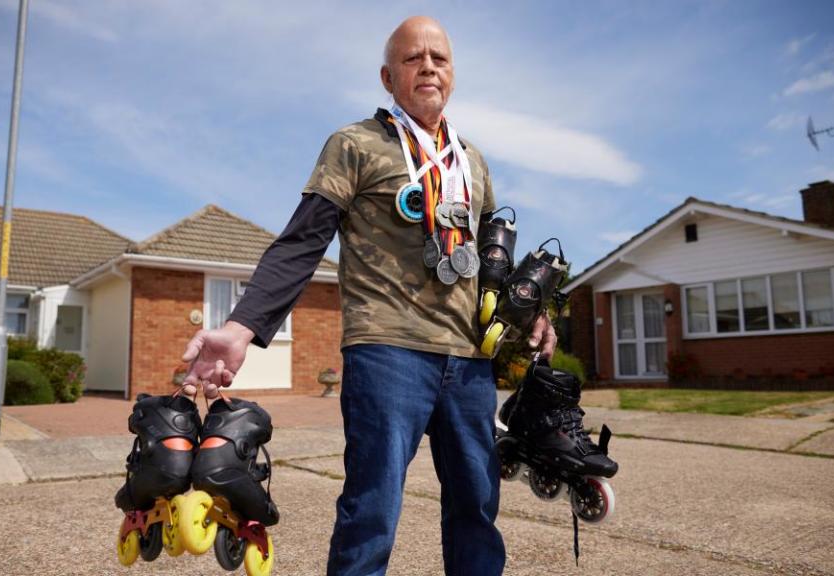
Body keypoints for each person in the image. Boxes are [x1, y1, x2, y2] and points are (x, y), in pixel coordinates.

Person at [181, 15, 557, 576]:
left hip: (468, 359)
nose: (428, 66)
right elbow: (303, 240)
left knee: (478, 506)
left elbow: (486, 262)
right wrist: (242, 327)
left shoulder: (471, 160)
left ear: (452, 73)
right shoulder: (354, 144)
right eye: (413, 58)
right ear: (388, 76)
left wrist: (531, 314)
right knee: (373, 510)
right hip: (387, 351)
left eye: (439, 58)